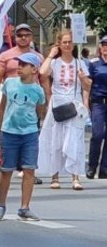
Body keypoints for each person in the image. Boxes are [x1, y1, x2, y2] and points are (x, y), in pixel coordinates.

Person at [0, 51, 47, 222]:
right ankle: (1, 205)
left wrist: (33, 127)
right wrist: (0, 133)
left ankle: (25, 207)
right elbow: (2, 108)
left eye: (24, 65)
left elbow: (40, 112)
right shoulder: (9, 83)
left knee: (29, 169)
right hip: (9, 132)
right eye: (19, 64)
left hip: (29, 133)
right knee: (6, 170)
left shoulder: (38, 90)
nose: (19, 67)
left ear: (34, 69)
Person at [38, 30, 91, 190]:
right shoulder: (54, 63)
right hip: (58, 104)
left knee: (74, 139)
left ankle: (75, 177)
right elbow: (42, 73)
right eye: (64, 42)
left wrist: (83, 81)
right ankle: (55, 176)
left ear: (73, 44)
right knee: (56, 139)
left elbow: (88, 85)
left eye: (69, 42)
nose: (67, 45)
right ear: (59, 44)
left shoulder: (79, 63)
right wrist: (50, 55)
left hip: (74, 104)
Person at [0, 23, 37, 184]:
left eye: (26, 35)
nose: (23, 38)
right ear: (15, 36)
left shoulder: (37, 57)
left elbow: (44, 80)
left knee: (31, 135)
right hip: (9, 101)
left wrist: (47, 102)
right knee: (2, 134)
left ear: (31, 37)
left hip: (30, 102)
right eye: (20, 35)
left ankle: (28, 169)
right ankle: (1, 166)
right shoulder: (5, 55)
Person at [86, 36, 107, 179]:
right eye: (104, 44)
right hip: (99, 102)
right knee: (97, 135)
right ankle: (92, 166)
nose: (106, 47)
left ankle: (104, 168)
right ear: (100, 47)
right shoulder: (94, 63)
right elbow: (88, 85)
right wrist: (86, 102)